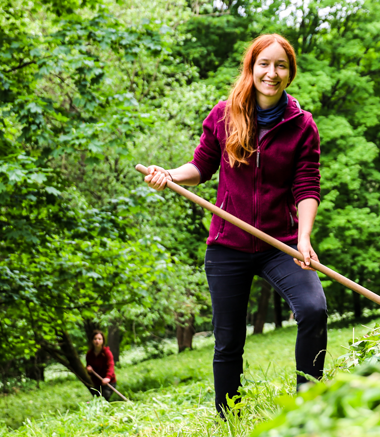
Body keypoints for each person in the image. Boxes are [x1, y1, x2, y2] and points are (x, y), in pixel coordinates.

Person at [142, 34, 327, 418]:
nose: (271, 73)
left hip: (280, 243)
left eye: (280, 66)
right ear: (251, 68)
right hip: (228, 244)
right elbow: (201, 167)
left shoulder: (302, 125)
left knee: (313, 310)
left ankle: (308, 408)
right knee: (228, 340)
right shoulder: (225, 115)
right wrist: (170, 175)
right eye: (264, 64)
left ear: (290, 73)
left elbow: (307, 186)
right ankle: (229, 419)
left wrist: (304, 238)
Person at [85, 330, 117, 401]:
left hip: (109, 382)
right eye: (95, 339)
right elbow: (89, 367)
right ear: (92, 340)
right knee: (98, 400)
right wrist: (89, 370)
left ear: (103, 341)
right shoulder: (89, 354)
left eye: (99, 339)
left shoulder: (107, 353)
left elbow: (111, 366)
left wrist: (108, 377)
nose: (97, 341)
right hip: (96, 382)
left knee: (104, 399)